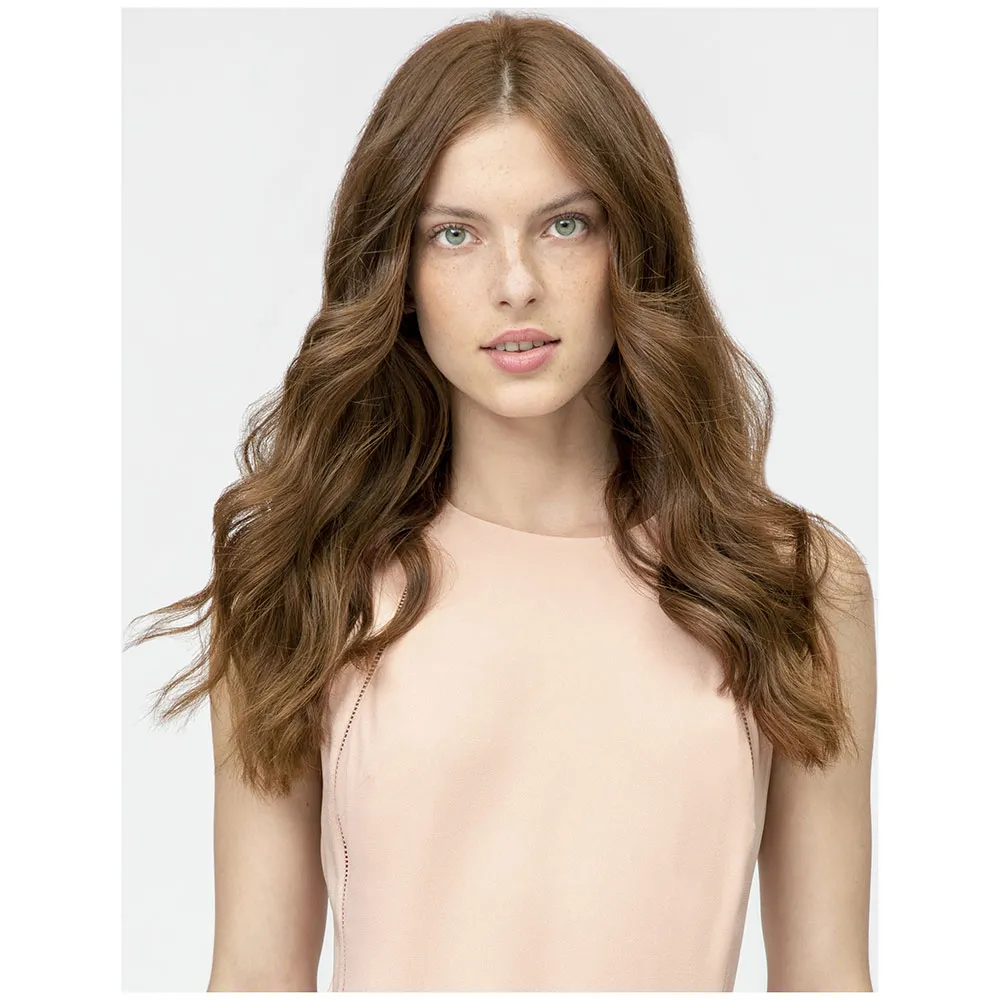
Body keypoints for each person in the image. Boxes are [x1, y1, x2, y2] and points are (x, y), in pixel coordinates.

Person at [125, 10, 876, 992]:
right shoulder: (304, 581)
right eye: (454, 235)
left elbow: (827, 979)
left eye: (565, 224)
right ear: (398, 273)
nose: (515, 283)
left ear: (632, 245)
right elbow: (255, 977)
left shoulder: (792, 585)